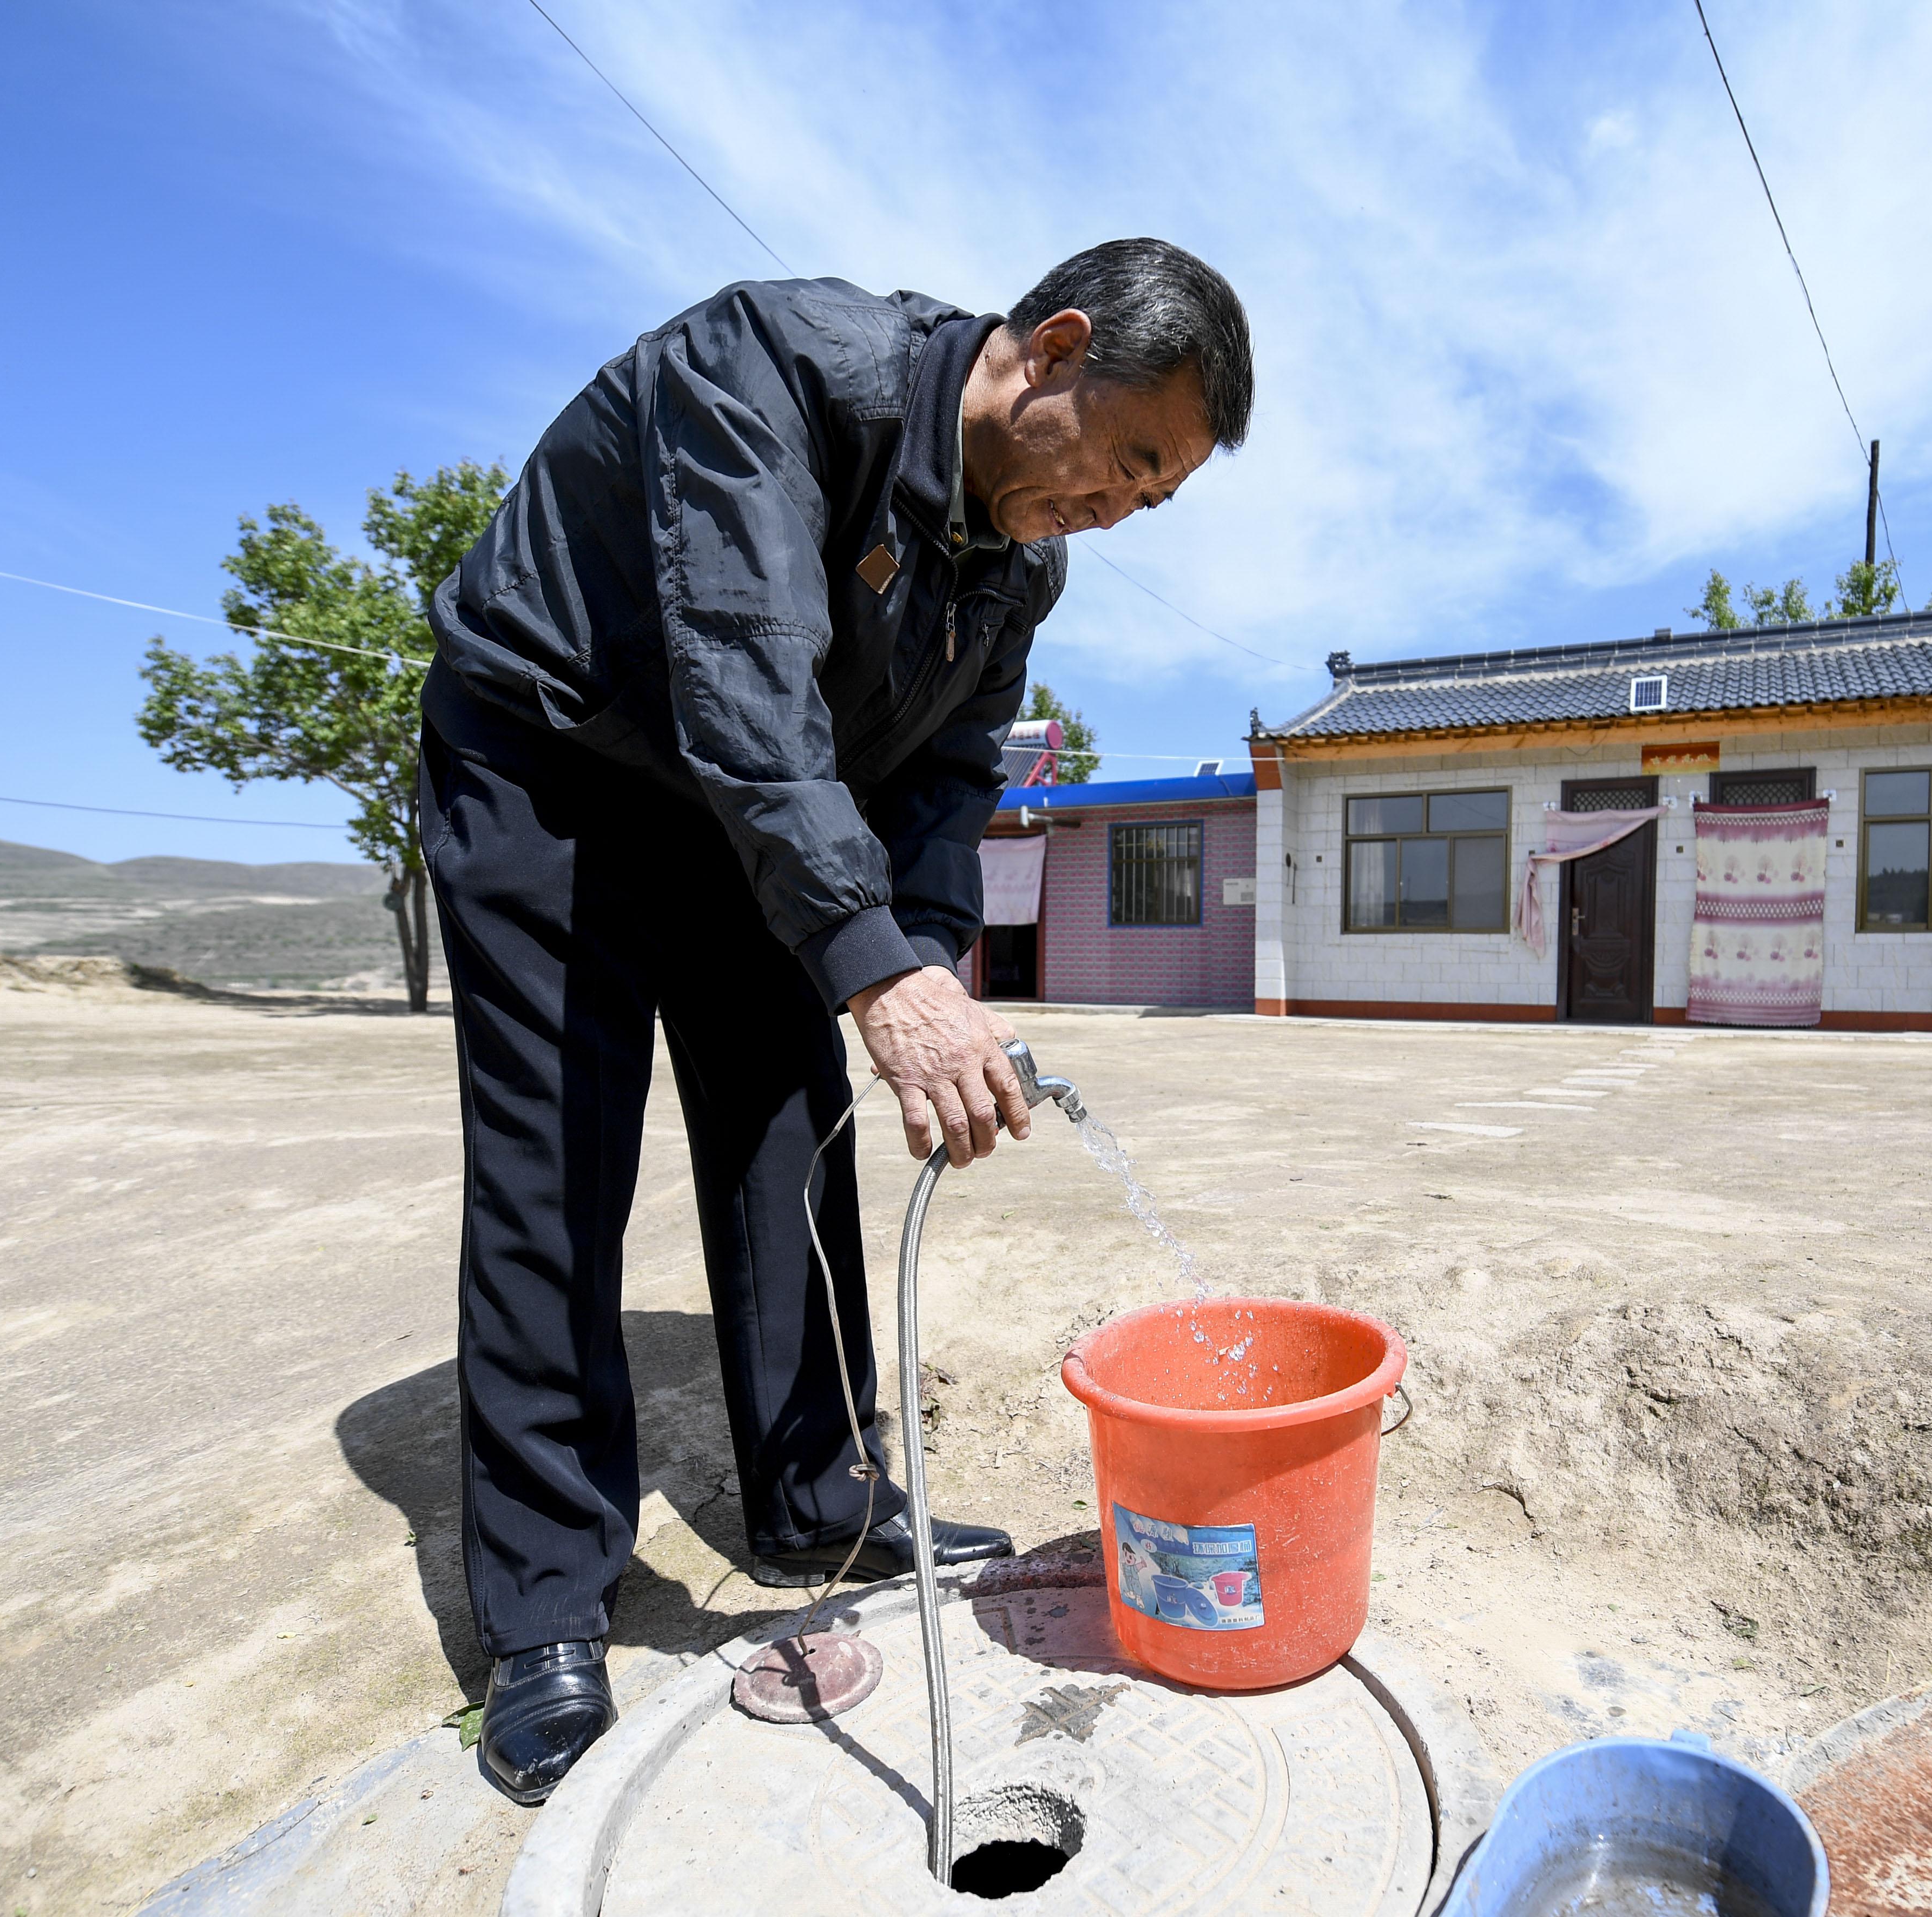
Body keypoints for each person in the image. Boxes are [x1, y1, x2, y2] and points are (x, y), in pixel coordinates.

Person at [420, 238, 1252, 1801]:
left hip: (750, 803)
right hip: (558, 755)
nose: (1120, 511)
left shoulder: (1025, 564)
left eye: (1157, 501)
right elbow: (742, 675)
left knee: (789, 1128)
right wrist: (869, 962)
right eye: (1128, 461)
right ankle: (544, 1608)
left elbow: (943, 782)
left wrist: (922, 961)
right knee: (554, 1164)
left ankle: (817, 1492)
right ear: (1056, 348)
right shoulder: (780, 372)